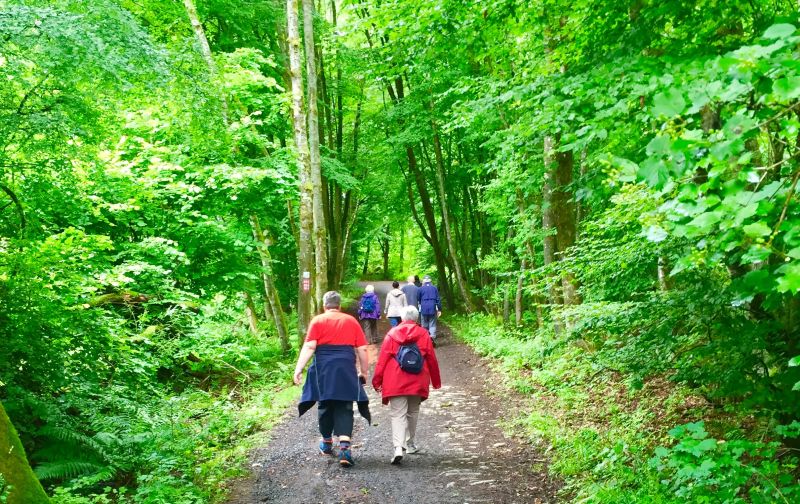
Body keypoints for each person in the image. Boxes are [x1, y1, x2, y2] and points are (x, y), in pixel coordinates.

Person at [294, 291, 371, 468]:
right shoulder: (351, 321)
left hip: (323, 368)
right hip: (345, 367)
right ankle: (345, 448)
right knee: (344, 405)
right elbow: (362, 349)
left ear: (324, 305)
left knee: (325, 403)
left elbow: (310, 346)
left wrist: (299, 369)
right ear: (340, 306)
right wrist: (364, 371)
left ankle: (327, 443)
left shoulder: (318, 321)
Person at [372, 305, 441, 464]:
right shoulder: (424, 334)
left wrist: (377, 381)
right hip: (417, 380)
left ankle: (398, 448)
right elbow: (431, 359)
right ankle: (409, 444)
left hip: (395, 381)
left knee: (398, 414)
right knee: (413, 412)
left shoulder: (392, 334)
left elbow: (382, 361)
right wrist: (436, 382)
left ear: (402, 318)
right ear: (416, 319)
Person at [418, 275, 442, 345]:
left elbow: (418, 299)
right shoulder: (434, 288)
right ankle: (432, 340)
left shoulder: (420, 289)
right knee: (432, 324)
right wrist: (439, 309)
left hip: (423, 309)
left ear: (423, 281)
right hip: (432, 308)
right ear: (430, 280)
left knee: (424, 325)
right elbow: (438, 299)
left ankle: (425, 341)